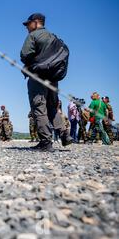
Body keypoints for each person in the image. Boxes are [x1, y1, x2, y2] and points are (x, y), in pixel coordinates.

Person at [20, 13, 72, 152]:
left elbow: (24, 55)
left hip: (38, 77)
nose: (26, 27)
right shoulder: (53, 37)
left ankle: (45, 142)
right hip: (53, 78)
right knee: (52, 107)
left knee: (39, 107)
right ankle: (64, 134)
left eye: (28, 24)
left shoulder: (33, 36)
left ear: (36, 22)